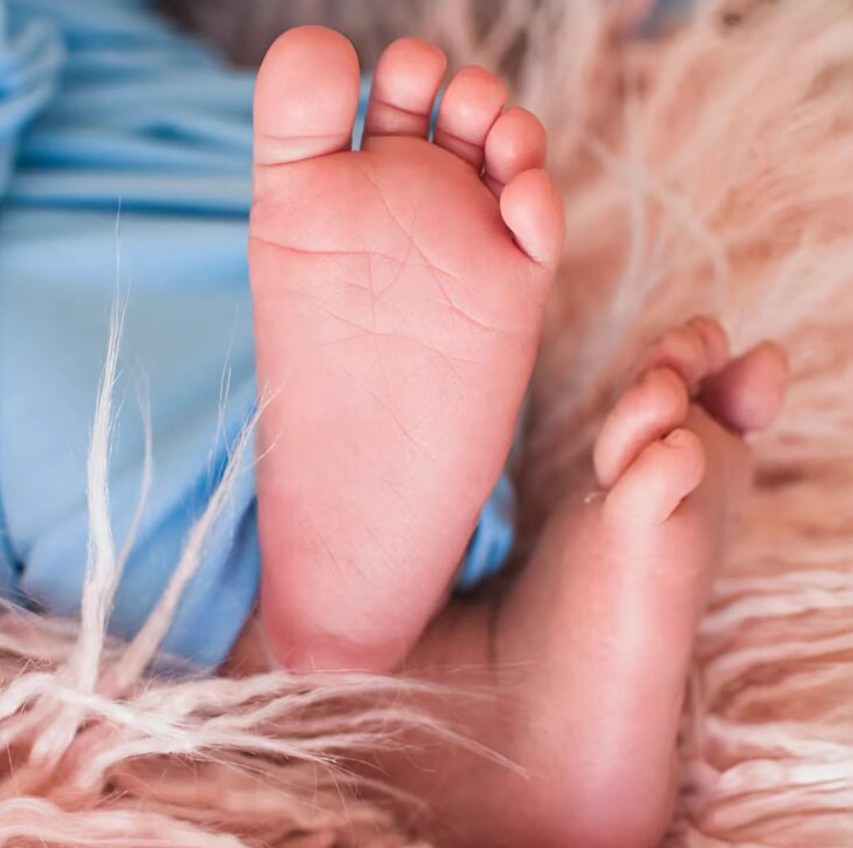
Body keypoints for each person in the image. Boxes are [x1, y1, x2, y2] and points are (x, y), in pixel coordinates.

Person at [0, 4, 788, 845]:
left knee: (83, 419)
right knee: (159, 375)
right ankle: (477, 707)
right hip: (204, 164)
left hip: (105, 229)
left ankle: (325, 628)